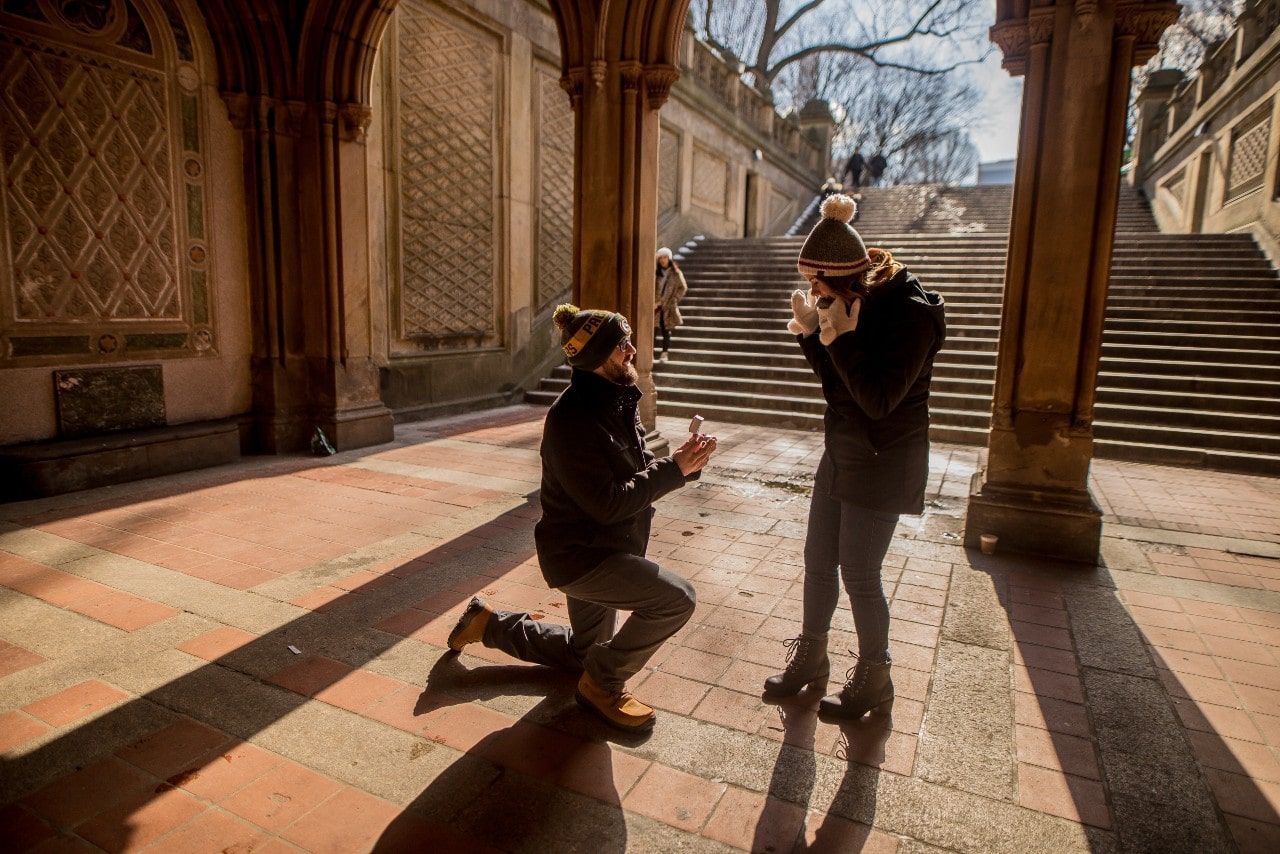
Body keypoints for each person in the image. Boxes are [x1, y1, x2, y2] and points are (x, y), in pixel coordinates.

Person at [447, 303, 717, 732]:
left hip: (610, 548)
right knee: (676, 599)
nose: (632, 349)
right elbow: (607, 503)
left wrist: (687, 461)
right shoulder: (571, 420)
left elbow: (643, 468)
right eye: (621, 344)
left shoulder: (617, 399)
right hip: (583, 558)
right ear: (596, 358)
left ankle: (488, 625)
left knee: (582, 652)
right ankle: (602, 684)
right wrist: (675, 469)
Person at [764, 193, 945, 722]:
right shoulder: (841, 303)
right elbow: (838, 389)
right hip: (843, 450)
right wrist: (812, 337)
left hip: (886, 458)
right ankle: (811, 659)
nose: (812, 291)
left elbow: (878, 400)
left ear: (843, 275)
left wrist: (838, 339)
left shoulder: (908, 316)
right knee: (818, 562)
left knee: (861, 574)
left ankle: (875, 678)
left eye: (817, 283)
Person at [654, 247, 687, 364]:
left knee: (666, 330)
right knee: (653, 330)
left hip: (668, 306)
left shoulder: (676, 273)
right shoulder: (655, 273)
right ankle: (650, 354)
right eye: (661, 258)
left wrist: (674, 299)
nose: (663, 260)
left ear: (669, 258)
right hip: (656, 307)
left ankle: (664, 353)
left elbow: (682, 288)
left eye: (665, 257)